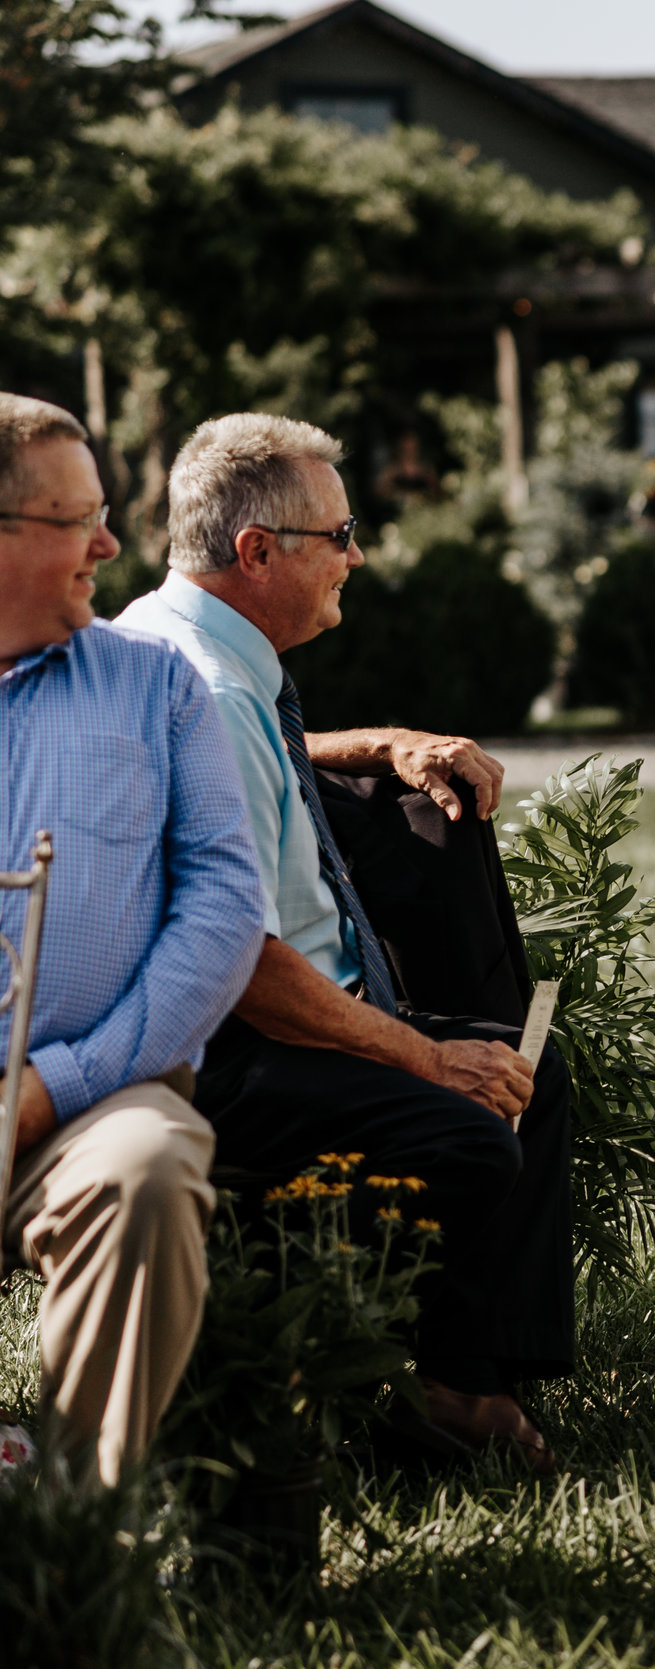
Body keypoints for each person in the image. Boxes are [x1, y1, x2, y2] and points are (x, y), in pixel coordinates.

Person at [118, 412, 572, 1473]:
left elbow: (257, 760)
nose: (357, 556)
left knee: (533, 1068)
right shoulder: (218, 692)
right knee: (475, 1114)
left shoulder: (173, 634)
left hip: (267, 1014)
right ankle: (411, 1391)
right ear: (258, 551)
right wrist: (421, 1054)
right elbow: (242, 965)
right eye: (340, 533)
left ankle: (464, 1374)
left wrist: (371, 744)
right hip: (239, 1048)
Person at [0, 393, 264, 1483]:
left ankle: (73, 1529)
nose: (111, 544)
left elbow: (222, 906)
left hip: (90, 1100)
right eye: (80, 519)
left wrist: (53, 1085)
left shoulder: (156, 686)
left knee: (149, 1170)